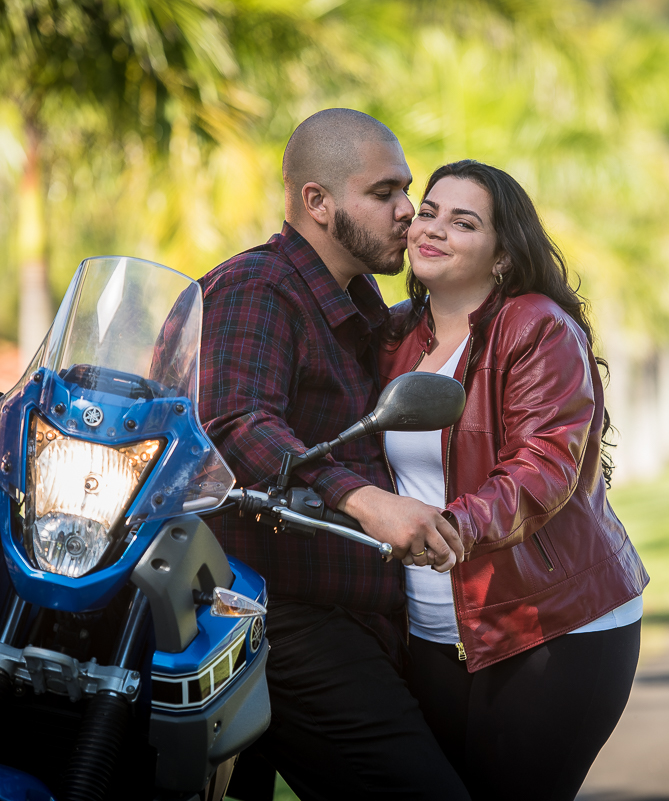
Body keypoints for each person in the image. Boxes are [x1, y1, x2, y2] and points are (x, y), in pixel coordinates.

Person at [198, 109, 469, 800]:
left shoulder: (360, 306)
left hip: (363, 617)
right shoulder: (260, 287)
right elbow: (236, 419)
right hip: (284, 618)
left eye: (406, 189)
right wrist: (368, 501)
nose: (409, 210)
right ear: (316, 201)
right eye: (385, 193)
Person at [379, 160, 650, 801]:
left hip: (551, 622)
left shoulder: (534, 326)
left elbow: (543, 465)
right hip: (432, 629)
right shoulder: (393, 336)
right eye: (429, 212)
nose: (434, 229)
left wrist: (455, 526)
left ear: (502, 255)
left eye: (464, 222)